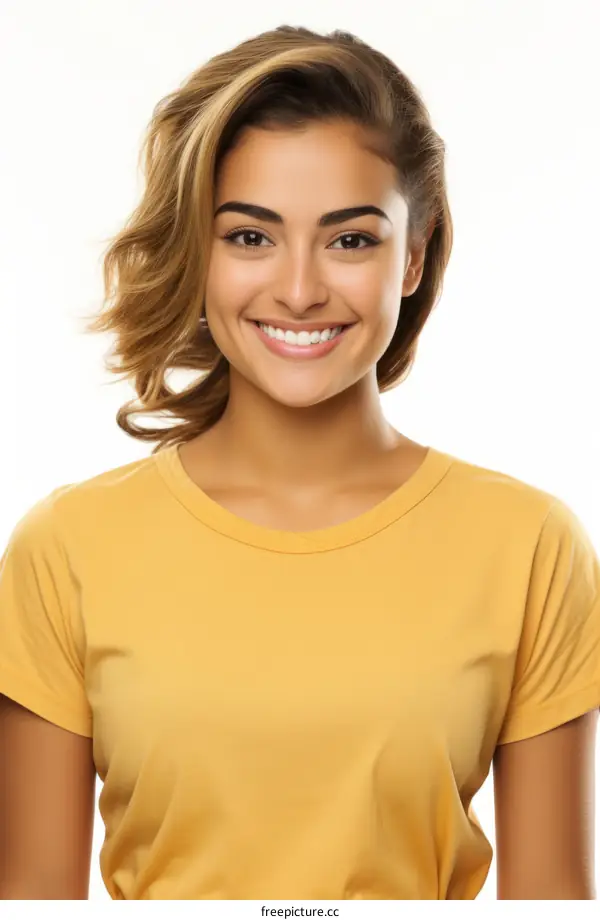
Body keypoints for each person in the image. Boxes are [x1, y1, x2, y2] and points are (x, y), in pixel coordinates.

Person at [1, 24, 599, 902]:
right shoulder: (68, 548)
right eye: (250, 237)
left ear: (415, 255)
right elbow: (28, 903)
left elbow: (555, 904)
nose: (299, 288)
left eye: (350, 240)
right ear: (197, 249)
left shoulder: (528, 547)